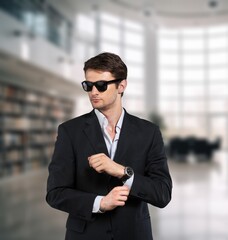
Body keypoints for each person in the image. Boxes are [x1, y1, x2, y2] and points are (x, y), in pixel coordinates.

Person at [46, 52, 172, 240]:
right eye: (88, 86)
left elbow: (162, 194)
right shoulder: (69, 131)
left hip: (134, 234)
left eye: (101, 85)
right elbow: (55, 193)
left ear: (122, 85)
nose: (93, 92)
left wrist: (123, 172)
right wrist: (100, 203)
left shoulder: (149, 132)